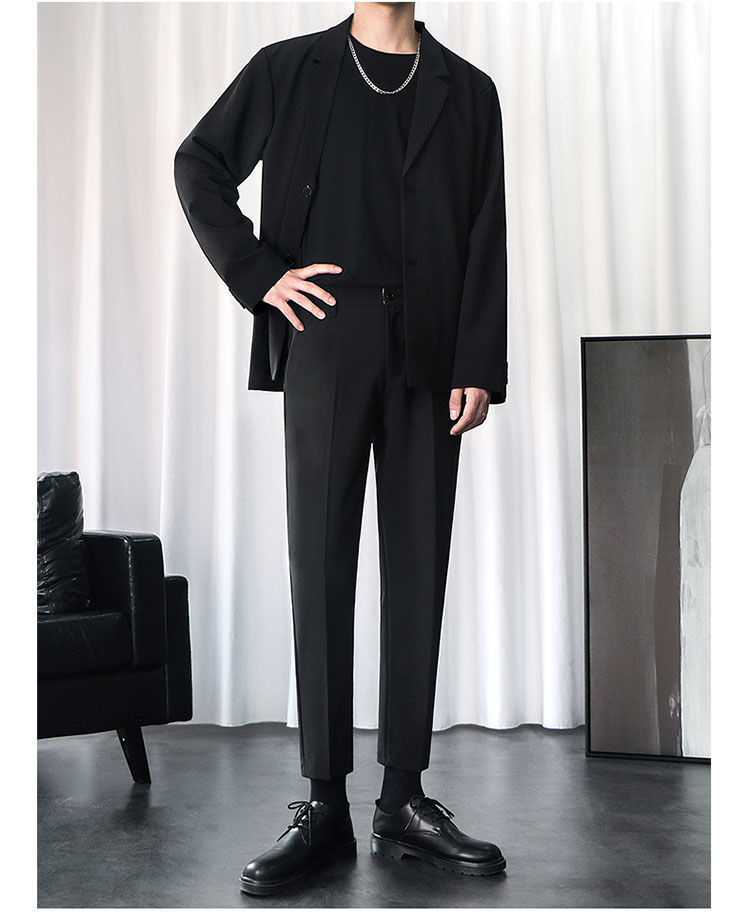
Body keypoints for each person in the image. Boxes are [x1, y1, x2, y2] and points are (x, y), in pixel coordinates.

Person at [174, 1, 508, 896]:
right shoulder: (289, 69)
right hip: (324, 337)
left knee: (418, 566)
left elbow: (486, 229)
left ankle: (403, 798)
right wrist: (259, 276)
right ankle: (323, 803)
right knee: (319, 564)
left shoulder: (469, 91)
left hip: (432, 348)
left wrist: (478, 361)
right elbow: (198, 163)